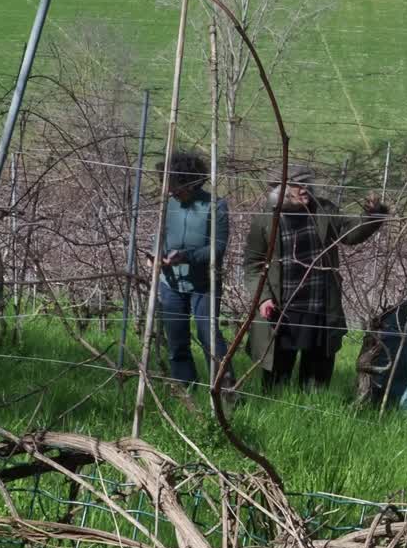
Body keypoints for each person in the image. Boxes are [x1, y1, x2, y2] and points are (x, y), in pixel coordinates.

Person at [243, 164, 388, 390]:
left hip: (319, 305)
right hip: (282, 308)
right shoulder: (266, 220)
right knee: (277, 374)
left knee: (316, 374)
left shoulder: (323, 210)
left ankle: (312, 408)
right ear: (280, 189)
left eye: (307, 184)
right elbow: (252, 264)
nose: (304, 190)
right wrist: (263, 298)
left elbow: (350, 235)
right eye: (297, 185)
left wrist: (373, 215)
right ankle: (274, 406)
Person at [151, 151, 234, 391]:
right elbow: (159, 235)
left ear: (191, 181)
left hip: (204, 284)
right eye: (168, 185)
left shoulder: (216, 206)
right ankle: (184, 388)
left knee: (209, 337)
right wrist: (155, 254)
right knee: (176, 339)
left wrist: (186, 256)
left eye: (175, 185)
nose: (170, 191)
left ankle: (224, 391)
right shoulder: (167, 205)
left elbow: (217, 249)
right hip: (171, 284)